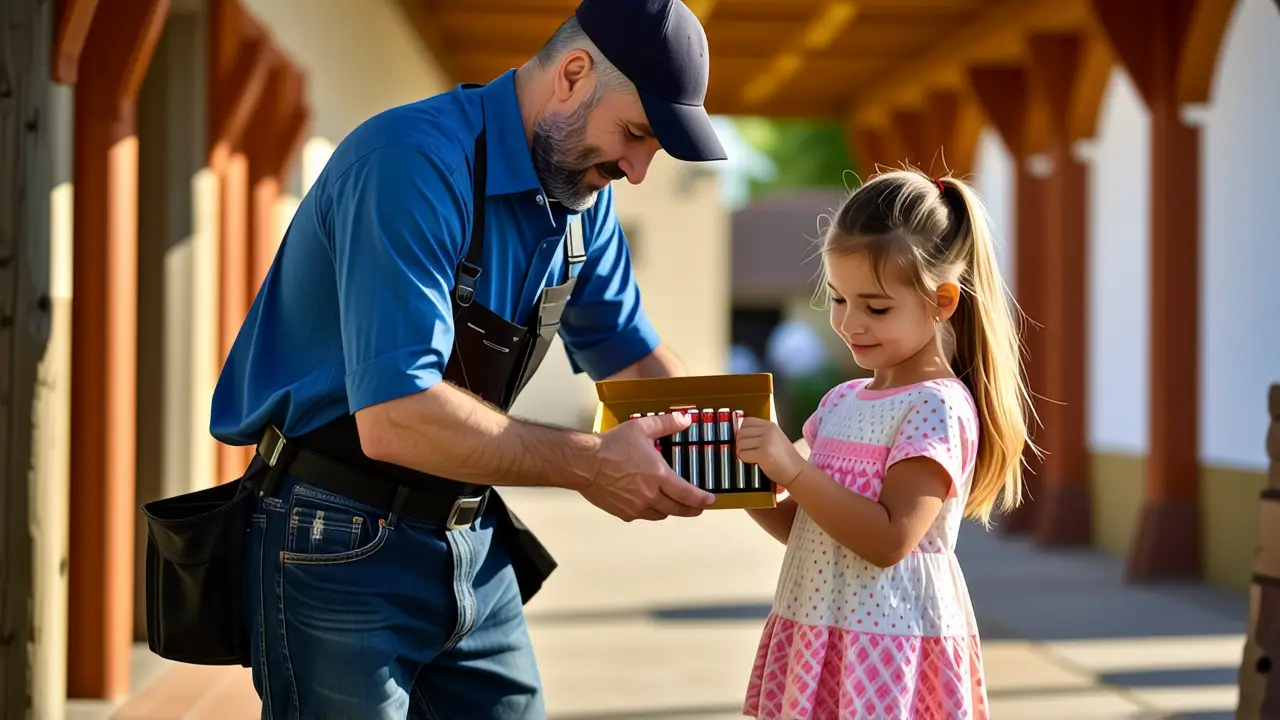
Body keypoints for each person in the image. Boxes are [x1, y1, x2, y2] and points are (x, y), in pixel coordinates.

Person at [207, 0, 726, 716]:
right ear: (573, 74)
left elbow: (634, 363)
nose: (637, 170)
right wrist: (590, 463)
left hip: (470, 535)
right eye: (635, 134)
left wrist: (784, 477)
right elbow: (398, 417)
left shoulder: (582, 197)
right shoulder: (411, 164)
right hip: (335, 538)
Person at [734, 170, 1034, 719]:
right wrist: (747, 481)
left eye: (875, 307)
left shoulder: (936, 408)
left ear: (941, 302)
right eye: (838, 299)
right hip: (820, 630)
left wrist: (793, 470)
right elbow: (809, 526)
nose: (850, 323)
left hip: (887, 647)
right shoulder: (842, 401)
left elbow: (890, 540)